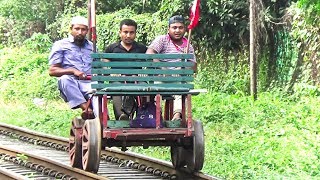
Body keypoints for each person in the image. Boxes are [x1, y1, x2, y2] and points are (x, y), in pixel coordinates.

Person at [146, 15, 197, 121]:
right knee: (158, 88)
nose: (177, 30)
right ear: (168, 29)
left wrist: (186, 60)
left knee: (178, 84)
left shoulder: (188, 46)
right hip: (161, 77)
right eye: (174, 27)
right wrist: (163, 67)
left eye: (180, 27)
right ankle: (156, 115)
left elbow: (194, 67)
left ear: (184, 29)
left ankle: (177, 115)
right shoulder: (162, 40)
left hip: (178, 79)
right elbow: (150, 54)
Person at [48, 16, 96, 120]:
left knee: (100, 95)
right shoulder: (60, 45)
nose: (80, 32)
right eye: (77, 29)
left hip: (89, 83)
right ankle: (86, 108)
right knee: (64, 79)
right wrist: (73, 71)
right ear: (71, 29)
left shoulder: (91, 46)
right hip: (72, 83)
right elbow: (52, 70)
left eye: (83, 29)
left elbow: (97, 65)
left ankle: (104, 121)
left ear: (87, 31)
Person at [104, 19, 147, 120]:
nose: (128, 35)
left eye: (131, 32)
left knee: (146, 88)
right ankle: (121, 116)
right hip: (117, 81)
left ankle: (143, 116)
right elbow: (104, 67)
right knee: (116, 88)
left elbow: (152, 61)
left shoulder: (142, 48)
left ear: (135, 33)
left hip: (137, 80)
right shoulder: (112, 48)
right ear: (120, 32)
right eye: (125, 32)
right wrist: (112, 75)